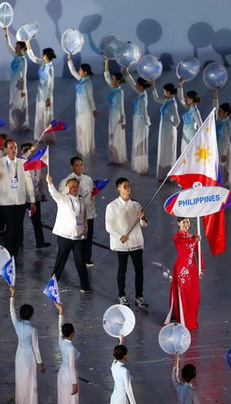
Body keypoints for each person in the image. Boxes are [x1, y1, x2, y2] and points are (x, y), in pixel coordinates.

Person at [105, 178, 148, 307]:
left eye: (129, 186)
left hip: (136, 241)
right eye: (125, 186)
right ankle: (122, 295)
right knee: (122, 270)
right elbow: (109, 226)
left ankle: (139, 296)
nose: (128, 188)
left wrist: (142, 218)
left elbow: (143, 224)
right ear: (119, 188)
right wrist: (120, 236)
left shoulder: (136, 205)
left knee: (139, 270)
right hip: (122, 244)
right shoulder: (112, 206)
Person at [0, 140, 35, 259]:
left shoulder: (22, 162)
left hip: (20, 201)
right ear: (5, 149)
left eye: (15, 147)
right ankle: (8, 254)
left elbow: (28, 181)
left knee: (18, 227)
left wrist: (32, 199)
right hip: (5, 202)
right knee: (11, 226)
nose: (13, 150)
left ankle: (15, 253)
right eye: (10, 148)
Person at [46, 174, 91, 292]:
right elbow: (53, 193)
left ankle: (85, 286)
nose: (75, 188)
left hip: (78, 237)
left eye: (76, 186)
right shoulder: (63, 199)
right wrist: (50, 183)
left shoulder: (82, 200)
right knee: (60, 261)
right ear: (67, 188)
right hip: (65, 237)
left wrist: (85, 232)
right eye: (72, 187)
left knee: (80, 262)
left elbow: (84, 217)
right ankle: (52, 285)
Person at [9, 285, 45, 404]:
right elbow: (36, 347)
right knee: (30, 379)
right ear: (31, 315)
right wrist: (40, 363)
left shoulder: (17, 325)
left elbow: (11, 312)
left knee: (21, 379)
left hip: (19, 355)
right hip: (29, 356)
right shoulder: (33, 330)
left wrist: (12, 296)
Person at [166, 218, 203, 330]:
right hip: (181, 270)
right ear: (178, 223)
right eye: (183, 222)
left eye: (187, 221)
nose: (186, 224)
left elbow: (199, 253)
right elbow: (182, 242)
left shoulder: (194, 236)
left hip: (192, 270)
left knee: (195, 296)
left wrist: (201, 268)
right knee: (184, 296)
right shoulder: (177, 237)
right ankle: (184, 320)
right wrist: (194, 240)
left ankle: (192, 319)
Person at [59, 156, 96, 266]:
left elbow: (92, 194)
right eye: (77, 165)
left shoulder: (88, 179)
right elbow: (63, 197)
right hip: (75, 215)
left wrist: (92, 207)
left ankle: (87, 258)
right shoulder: (66, 181)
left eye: (81, 165)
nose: (80, 167)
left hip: (87, 212)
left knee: (88, 236)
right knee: (76, 238)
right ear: (72, 167)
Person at [54, 302, 83, 404]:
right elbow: (72, 367)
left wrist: (61, 312)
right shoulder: (71, 349)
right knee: (71, 402)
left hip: (61, 374)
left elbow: (59, 330)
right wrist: (75, 383)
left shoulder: (61, 342)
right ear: (73, 333)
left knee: (63, 401)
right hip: (69, 376)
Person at [20, 143, 50, 248]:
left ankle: (40, 241)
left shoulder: (37, 164)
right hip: (23, 198)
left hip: (35, 197)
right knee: (19, 221)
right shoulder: (21, 163)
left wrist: (42, 193)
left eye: (31, 151)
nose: (29, 152)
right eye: (26, 150)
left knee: (37, 221)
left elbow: (40, 179)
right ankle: (19, 242)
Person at [25, 42, 56, 142]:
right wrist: (28, 43)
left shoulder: (50, 68)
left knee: (46, 114)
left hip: (46, 95)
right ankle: (40, 135)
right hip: (40, 93)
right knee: (40, 113)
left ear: (46, 56)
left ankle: (47, 136)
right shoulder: (43, 64)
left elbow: (51, 85)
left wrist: (48, 98)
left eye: (43, 54)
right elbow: (32, 57)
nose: (42, 56)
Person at [67, 54, 97, 156]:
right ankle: (80, 149)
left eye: (80, 70)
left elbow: (90, 97)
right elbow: (73, 72)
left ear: (85, 72)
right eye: (79, 70)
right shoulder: (81, 80)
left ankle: (85, 150)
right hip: (79, 108)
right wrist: (69, 60)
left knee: (84, 129)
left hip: (85, 110)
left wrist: (93, 109)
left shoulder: (88, 83)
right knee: (79, 128)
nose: (79, 71)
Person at [123, 68, 151, 174]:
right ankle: (137, 164)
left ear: (140, 86)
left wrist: (148, 123)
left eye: (137, 84)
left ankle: (141, 166)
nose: (135, 86)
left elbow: (144, 113)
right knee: (137, 140)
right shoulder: (140, 93)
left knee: (140, 141)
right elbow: (132, 84)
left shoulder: (143, 97)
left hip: (141, 121)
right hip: (137, 120)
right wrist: (127, 73)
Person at [151, 81, 180, 180]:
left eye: (164, 91)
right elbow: (156, 98)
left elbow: (177, 120)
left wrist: (171, 127)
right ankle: (162, 174)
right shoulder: (166, 101)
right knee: (163, 150)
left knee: (168, 152)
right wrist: (153, 85)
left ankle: (168, 175)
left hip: (169, 130)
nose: (163, 93)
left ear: (169, 92)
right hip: (163, 129)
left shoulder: (173, 104)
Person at [5, 28, 30, 132]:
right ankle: (15, 124)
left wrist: (23, 90)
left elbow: (23, 76)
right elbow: (8, 45)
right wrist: (6, 32)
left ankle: (20, 125)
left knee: (19, 104)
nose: (15, 48)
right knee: (13, 104)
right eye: (16, 46)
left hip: (19, 86)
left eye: (18, 47)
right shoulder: (16, 56)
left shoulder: (23, 61)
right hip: (13, 84)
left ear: (22, 49)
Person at [104, 58, 127, 165]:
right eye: (112, 79)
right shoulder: (113, 88)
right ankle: (113, 157)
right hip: (112, 116)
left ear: (118, 81)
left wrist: (123, 121)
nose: (111, 80)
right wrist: (107, 62)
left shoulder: (119, 92)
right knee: (112, 135)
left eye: (113, 79)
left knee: (117, 136)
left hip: (117, 117)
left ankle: (118, 158)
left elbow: (121, 108)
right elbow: (106, 76)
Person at [177, 80, 203, 153]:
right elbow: (180, 98)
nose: (185, 99)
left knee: (190, 153)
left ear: (191, 100)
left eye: (187, 98)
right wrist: (180, 86)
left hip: (192, 135)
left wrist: (198, 138)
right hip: (185, 135)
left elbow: (200, 125)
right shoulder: (189, 109)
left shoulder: (195, 111)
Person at [216, 100, 231, 190]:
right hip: (219, 146)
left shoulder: (227, 124)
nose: (218, 112)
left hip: (224, 149)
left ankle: (225, 188)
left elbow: (226, 140)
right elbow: (214, 107)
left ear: (226, 113)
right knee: (219, 168)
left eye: (220, 111)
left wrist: (224, 153)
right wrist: (215, 96)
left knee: (224, 168)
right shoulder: (220, 120)